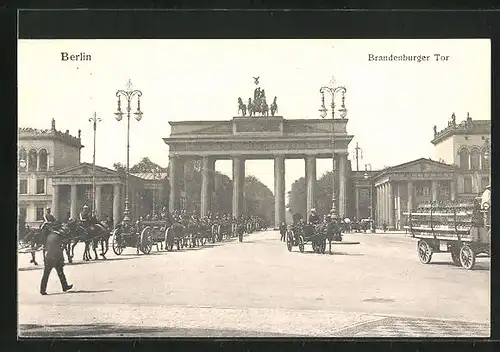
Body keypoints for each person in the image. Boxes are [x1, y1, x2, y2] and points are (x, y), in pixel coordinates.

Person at [40, 227, 73, 295]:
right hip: (56, 258)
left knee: (46, 275)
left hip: (48, 257)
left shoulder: (49, 236)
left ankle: (42, 290)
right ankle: (65, 286)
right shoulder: (58, 237)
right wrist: (62, 260)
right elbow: (59, 250)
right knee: (61, 273)